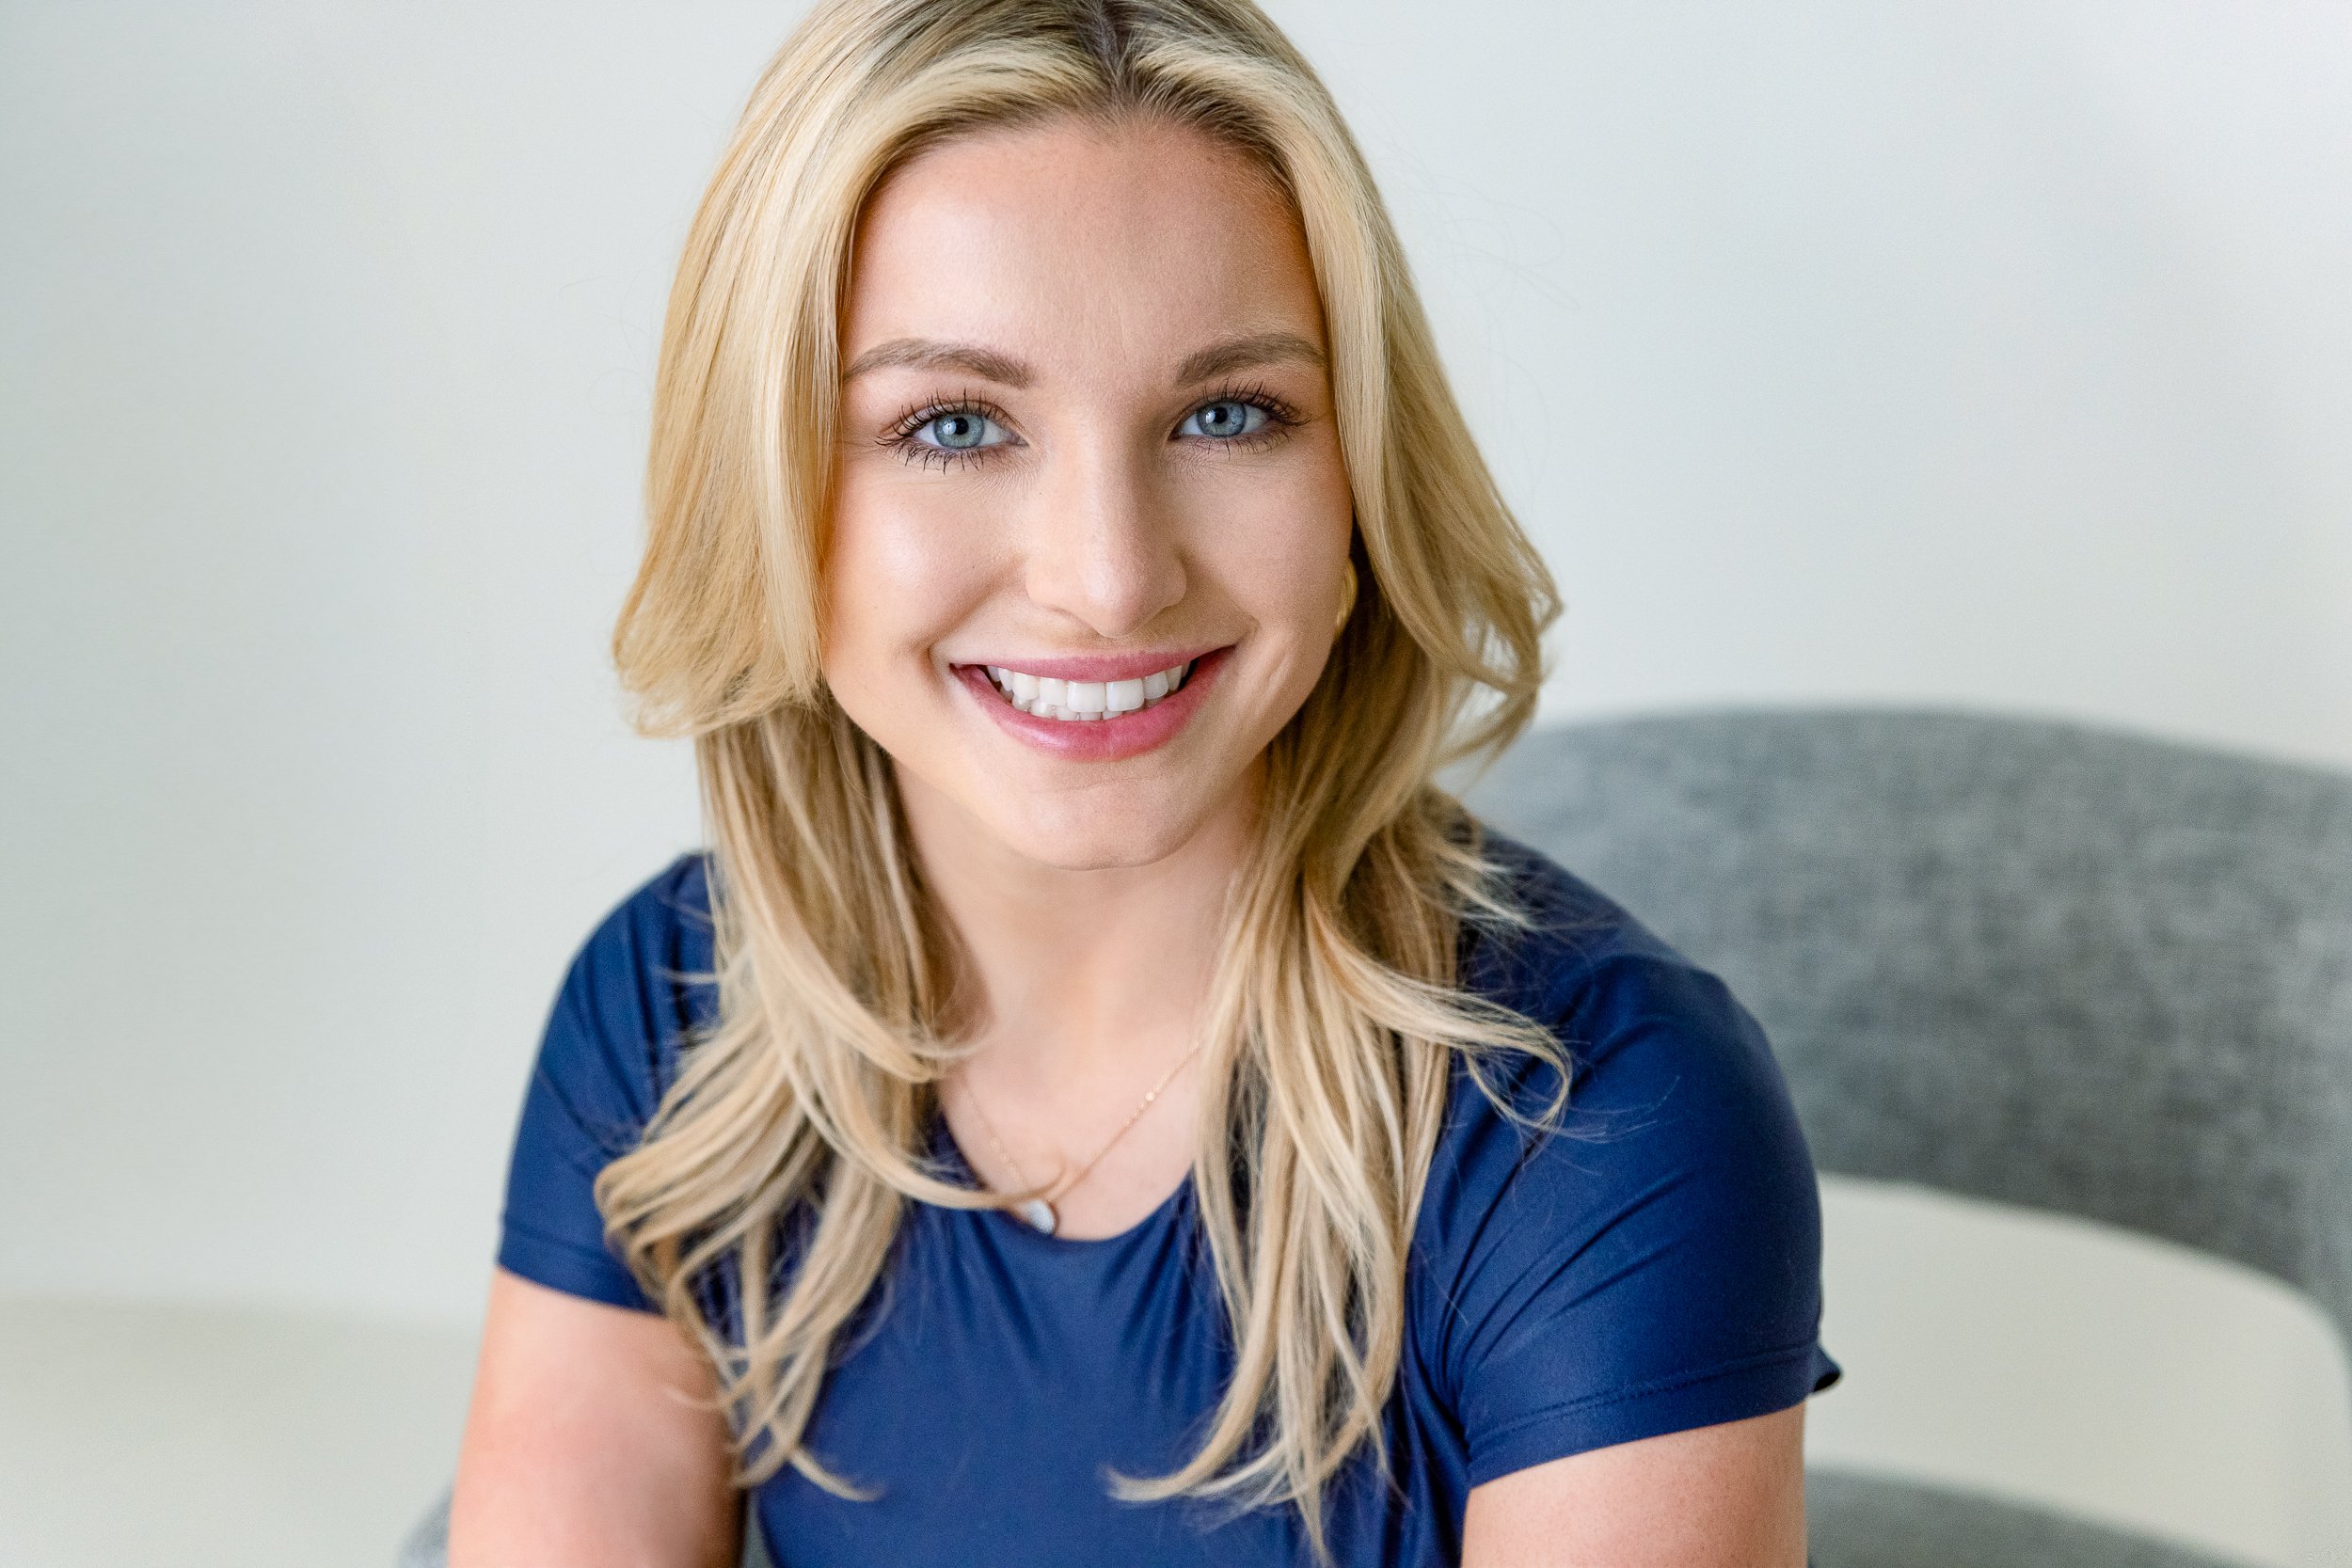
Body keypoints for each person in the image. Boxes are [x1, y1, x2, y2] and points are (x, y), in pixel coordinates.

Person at [450, 1, 1839, 1562]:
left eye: (1228, 414)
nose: (1109, 579)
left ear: (1361, 474)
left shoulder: (1596, 1121)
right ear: (768, 483)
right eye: (955, 424)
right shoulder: (674, 1020)